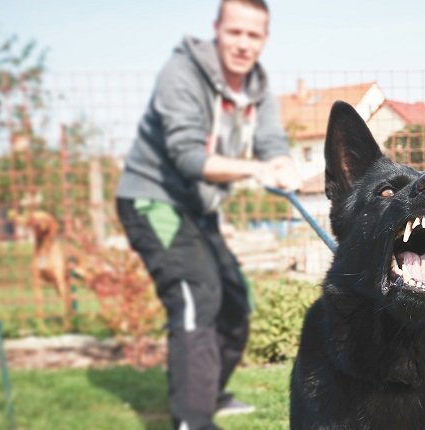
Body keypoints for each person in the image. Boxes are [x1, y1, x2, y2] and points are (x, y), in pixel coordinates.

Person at [115, 1, 298, 428]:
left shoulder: (258, 88)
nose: (242, 44)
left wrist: (284, 166)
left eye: (253, 36)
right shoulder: (180, 74)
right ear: (217, 29)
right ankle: (192, 420)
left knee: (234, 302)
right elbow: (188, 157)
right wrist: (256, 169)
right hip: (153, 200)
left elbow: (272, 142)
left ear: (264, 40)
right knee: (198, 296)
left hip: (199, 210)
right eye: (235, 32)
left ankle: (210, 392)